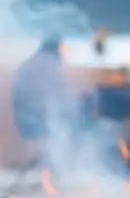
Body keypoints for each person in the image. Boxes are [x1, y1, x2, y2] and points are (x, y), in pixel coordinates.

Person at [11, 36, 81, 170]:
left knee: (41, 146)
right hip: (37, 112)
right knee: (45, 146)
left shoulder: (32, 63)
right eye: (62, 46)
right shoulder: (48, 64)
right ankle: (44, 172)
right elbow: (60, 91)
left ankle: (41, 171)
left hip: (30, 112)